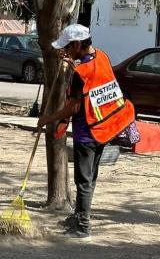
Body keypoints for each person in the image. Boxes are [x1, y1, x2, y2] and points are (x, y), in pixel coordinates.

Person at [37, 24, 135, 241]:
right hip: (104, 129)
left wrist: (47, 119)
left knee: (84, 181)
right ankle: (78, 216)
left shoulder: (80, 74)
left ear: (79, 44)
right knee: (89, 178)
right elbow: (93, 80)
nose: (66, 51)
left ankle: (82, 227)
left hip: (87, 133)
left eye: (68, 47)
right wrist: (73, 64)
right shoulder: (102, 57)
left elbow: (72, 106)